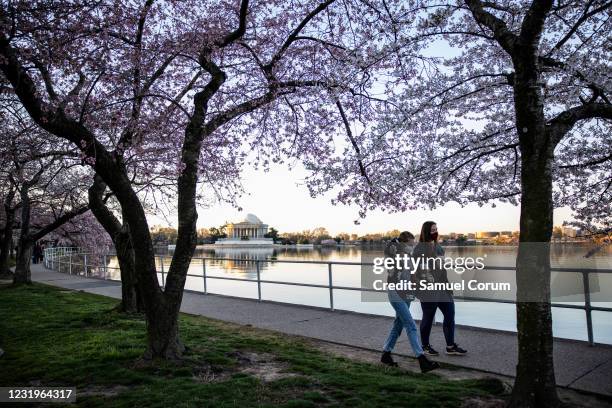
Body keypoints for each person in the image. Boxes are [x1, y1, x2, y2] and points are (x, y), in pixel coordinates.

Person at [380, 231, 439, 373]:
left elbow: (413, 277)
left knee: (398, 324)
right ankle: (422, 359)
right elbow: (388, 249)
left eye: (413, 245)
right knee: (411, 325)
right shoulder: (394, 253)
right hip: (395, 293)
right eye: (410, 244)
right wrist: (397, 242)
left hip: (407, 293)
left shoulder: (410, 257)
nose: (412, 247)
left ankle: (386, 354)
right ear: (404, 243)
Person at [413, 221, 467, 356]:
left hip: (442, 288)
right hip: (428, 290)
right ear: (426, 232)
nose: (435, 232)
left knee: (450, 315)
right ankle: (425, 346)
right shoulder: (419, 249)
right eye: (432, 230)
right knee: (428, 318)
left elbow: (442, 270)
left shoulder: (439, 248)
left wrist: (448, 286)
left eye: (436, 229)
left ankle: (450, 346)